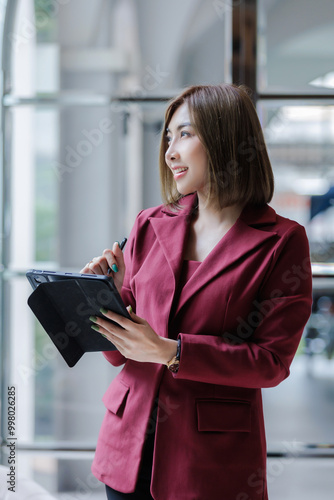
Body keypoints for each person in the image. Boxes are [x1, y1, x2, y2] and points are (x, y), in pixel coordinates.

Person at [81, 84, 313, 500]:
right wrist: (108, 299)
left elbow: (271, 363)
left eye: (185, 134)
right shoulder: (149, 224)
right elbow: (120, 354)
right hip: (126, 450)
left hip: (209, 465)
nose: (170, 152)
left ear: (227, 140)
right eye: (168, 138)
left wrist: (172, 352)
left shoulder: (282, 241)